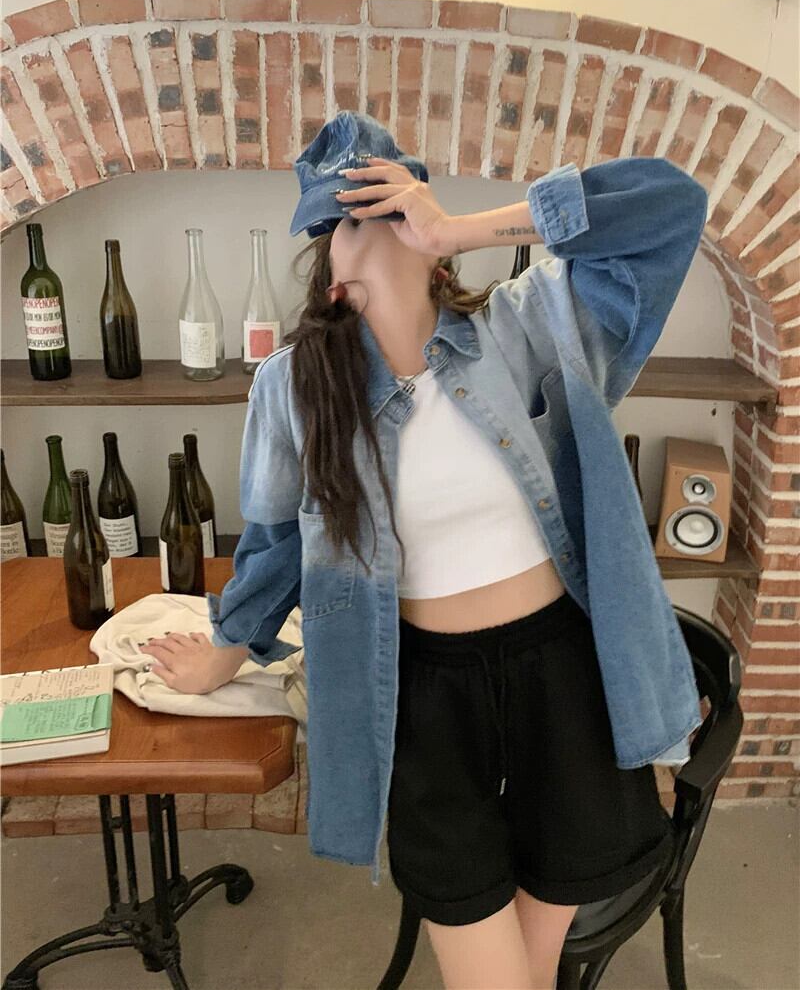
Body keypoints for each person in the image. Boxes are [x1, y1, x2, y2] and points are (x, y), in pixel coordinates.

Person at [140, 113, 707, 990]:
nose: (370, 221)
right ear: (330, 276)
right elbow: (278, 542)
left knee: (532, 972)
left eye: (388, 200)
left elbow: (672, 206)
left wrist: (467, 227)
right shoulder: (296, 387)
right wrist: (226, 649)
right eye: (343, 219)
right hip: (424, 699)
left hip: (564, 685)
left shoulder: (530, 325)